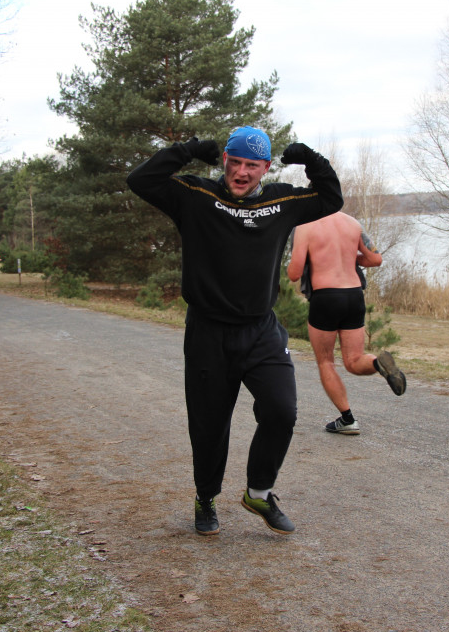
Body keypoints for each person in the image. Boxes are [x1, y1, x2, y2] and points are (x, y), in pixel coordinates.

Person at [126, 127, 343, 536]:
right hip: (208, 333)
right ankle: (205, 498)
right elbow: (141, 180)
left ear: (265, 168)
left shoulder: (283, 201)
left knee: (282, 409)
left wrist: (311, 158)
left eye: (252, 165)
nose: (242, 173)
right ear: (225, 158)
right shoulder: (195, 197)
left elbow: (331, 197)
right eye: (235, 162)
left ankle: (259, 492)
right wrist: (188, 150)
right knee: (209, 426)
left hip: (260, 331)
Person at [286, 213, 406, 436]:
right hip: (354, 296)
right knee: (354, 360)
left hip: (326, 297)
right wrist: (348, 257)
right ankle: (378, 364)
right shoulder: (352, 223)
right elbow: (375, 259)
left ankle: (348, 419)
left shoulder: (305, 225)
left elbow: (294, 273)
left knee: (326, 362)